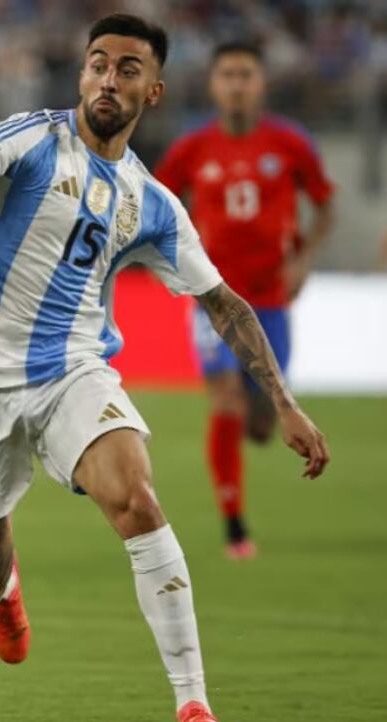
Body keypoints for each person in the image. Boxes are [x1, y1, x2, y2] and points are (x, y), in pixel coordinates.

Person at [0, 14, 329, 722]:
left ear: (151, 91)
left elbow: (223, 302)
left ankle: (194, 706)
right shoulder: (31, 139)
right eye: (96, 64)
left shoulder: (151, 202)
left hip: (71, 372)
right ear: (81, 75)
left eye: (126, 70)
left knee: (138, 498)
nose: (106, 79)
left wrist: (284, 404)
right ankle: (2, 594)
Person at [155, 42, 335, 560]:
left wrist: (304, 260)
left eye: (246, 74)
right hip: (214, 296)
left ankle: (258, 431)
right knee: (226, 401)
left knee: (261, 422)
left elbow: (325, 206)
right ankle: (234, 525)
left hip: (272, 299)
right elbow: (154, 204)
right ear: (214, 85)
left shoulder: (290, 144)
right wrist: (172, 262)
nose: (236, 83)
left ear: (261, 84)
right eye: (228, 75)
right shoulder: (192, 149)